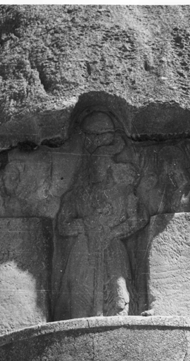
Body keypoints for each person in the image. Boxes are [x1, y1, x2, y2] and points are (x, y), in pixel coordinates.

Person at [54, 111, 148, 320]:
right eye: (95, 164)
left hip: (113, 248)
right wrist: (87, 224)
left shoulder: (123, 193)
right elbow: (62, 225)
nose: (99, 168)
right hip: (84, 250)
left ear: (110, 168)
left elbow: (139, 219)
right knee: (81, 298)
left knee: (119, 297)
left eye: (103, 164)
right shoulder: (76, 195)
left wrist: (112, 232)